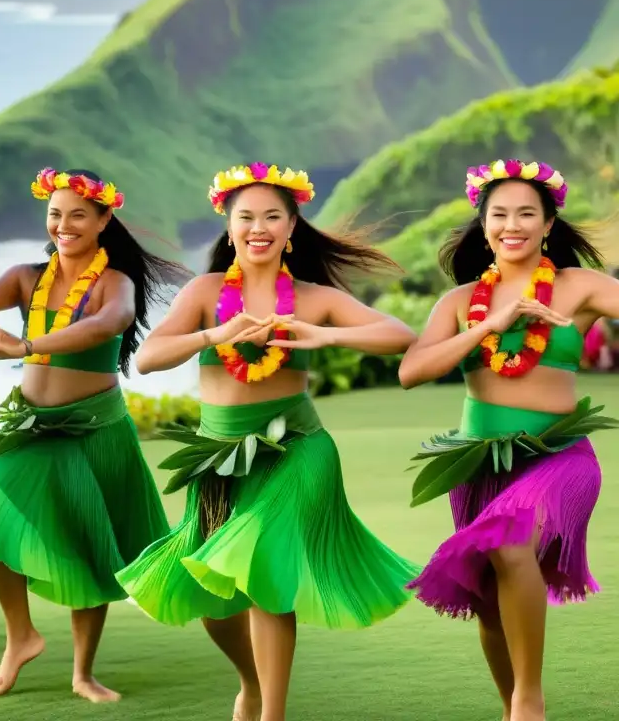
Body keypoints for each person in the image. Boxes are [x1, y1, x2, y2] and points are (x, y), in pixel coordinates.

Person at [114, 162, 421, 721]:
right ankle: (251, 686)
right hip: (220, 461)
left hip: (296, 448)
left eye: (272, 216)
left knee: (266, 573)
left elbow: (399, 335)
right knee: (215, 601)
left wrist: (321, 332)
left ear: (292, 226)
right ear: (228, 228)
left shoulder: (310, 297)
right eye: (246, 216)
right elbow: (148, 358)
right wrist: (214, 334)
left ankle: (272, 714)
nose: (259, 227)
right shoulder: (206, 294)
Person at [0, 168, 189, 703]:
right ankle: (22, 635)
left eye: (78, 214)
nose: (64, 224)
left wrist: (29, 345)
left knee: (88, 544)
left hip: (93, 427)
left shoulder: (114, 283)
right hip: (31, 426)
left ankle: (84, 673)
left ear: (104, 220)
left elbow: (110, 323)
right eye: (55, 214)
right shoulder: (25, 277)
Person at [398, 159, 619, 721]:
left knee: (509, 543)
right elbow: (412, 371)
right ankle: (511, 706)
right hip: (479, 463)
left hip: (561, 457)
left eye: (527, 213)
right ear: (483, 223)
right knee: (491, 604)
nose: (512, 224)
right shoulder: (459, 302)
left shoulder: (579, 288)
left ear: (549, 224)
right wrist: (485, 327)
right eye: (499, 214)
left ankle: (528, 701)